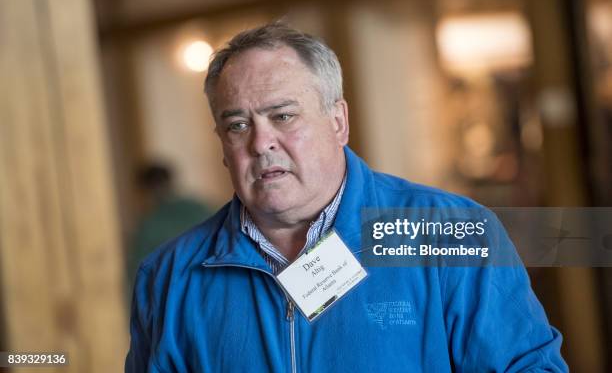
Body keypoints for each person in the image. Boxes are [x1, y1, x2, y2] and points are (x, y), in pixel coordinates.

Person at [125, 22, 568, 372]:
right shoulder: (169, 277)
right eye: (238, 125)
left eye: (283, 115)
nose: (261, 143)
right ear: (221, 142)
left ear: (337, 120)